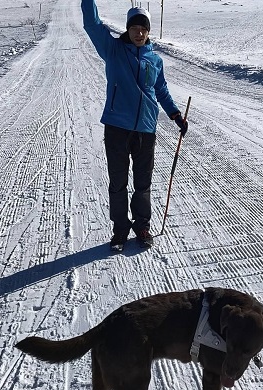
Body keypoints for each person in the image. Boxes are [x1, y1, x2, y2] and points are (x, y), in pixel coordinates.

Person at [81, 0, 188, 252]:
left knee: (143, 182)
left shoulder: (155, 60)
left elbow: (160, 89)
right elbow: (92, 24)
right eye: (134, 28)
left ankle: (142, 226)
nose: (139, 33)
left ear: (148, 32)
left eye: (144, 29)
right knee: (118, 182)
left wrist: (175, 115)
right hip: (117, 127)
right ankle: (120, 229)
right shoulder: (113, 49)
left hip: (146, 128)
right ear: (127, 29)